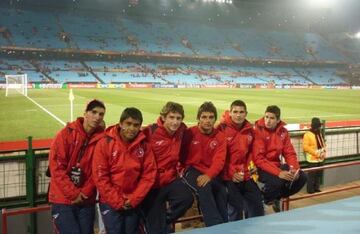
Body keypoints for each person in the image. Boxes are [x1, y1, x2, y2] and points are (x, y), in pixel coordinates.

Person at [92, 107, 156, 234]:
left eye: (136, 125)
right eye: (128, 124)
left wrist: (133, 199)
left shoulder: (144, 145)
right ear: (121, 123)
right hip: (111, 202)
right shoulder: (105, 143)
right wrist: (117, 201)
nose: (132, 128)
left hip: (133, 202)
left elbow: (149, 175)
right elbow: (100, 176)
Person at [48, 99, 106, 234]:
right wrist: (74, 194)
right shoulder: (65, 134)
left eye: (101, 114)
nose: (97, 117)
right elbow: (56, 167)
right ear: (85, 113)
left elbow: (98, 170)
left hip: (86, 200)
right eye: (94, 112)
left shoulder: (102, 139)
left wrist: (85, 193)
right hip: (63, 199)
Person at [142, 102, 194, 234]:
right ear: (163, 117)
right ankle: (156, 223)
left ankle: (163, 221)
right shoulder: (149, 132)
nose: (175, 122)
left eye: (178, 118)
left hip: (170, 179)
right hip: (152, 183)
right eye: (171, 117)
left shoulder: (181, 131)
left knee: (186, 198)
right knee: (155, 229)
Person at [252, 105, 307, 212]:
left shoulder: (283, 132)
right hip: (260, 168)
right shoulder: (257, 131)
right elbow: (259, 159)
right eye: (266, 117)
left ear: (278, 120)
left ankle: (276, 197)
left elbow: (289, 152)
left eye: (272, 118)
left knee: (302, 177)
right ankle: (265, 199)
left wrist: (294, 169)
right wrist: (279, 173)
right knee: (278, 181)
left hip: (276, 166)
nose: (268, 120)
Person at [181, 101, 227, 226]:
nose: (207, 120)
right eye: (204, 117)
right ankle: (215, 226)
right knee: (204, 187)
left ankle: (224, 225)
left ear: (215, 119)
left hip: (209, 171)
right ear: (198, 118)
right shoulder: (189, 133)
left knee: (222, 191)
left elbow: (219, 160)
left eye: (211, 117)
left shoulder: (220, 137)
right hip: (191, 169)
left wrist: (209, 175)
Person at [218, 100, 264, 220]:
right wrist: (231, 173)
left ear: (246, 113)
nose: (238, 115)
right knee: (235, 210)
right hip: (228, 177)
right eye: (235, 112)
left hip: (246, 175)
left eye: (241, 112)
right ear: (230, 112)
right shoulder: (221, 129)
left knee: (257, 206)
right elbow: (219, 157)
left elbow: (250, 154)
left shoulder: (250, 130)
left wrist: (249, 171)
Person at [303, 117, 326, 194]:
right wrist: (316, 153)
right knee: (312, 175)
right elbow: (305, 147)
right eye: (318, 126)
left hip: (320, 158)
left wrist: (323, 152)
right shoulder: (307, 134)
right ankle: (310, 190)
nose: (319, 127)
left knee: (318, 175)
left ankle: (316, 188)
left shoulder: (319, 133)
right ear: (314, 126)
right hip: (312, 158)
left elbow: (323, 144)